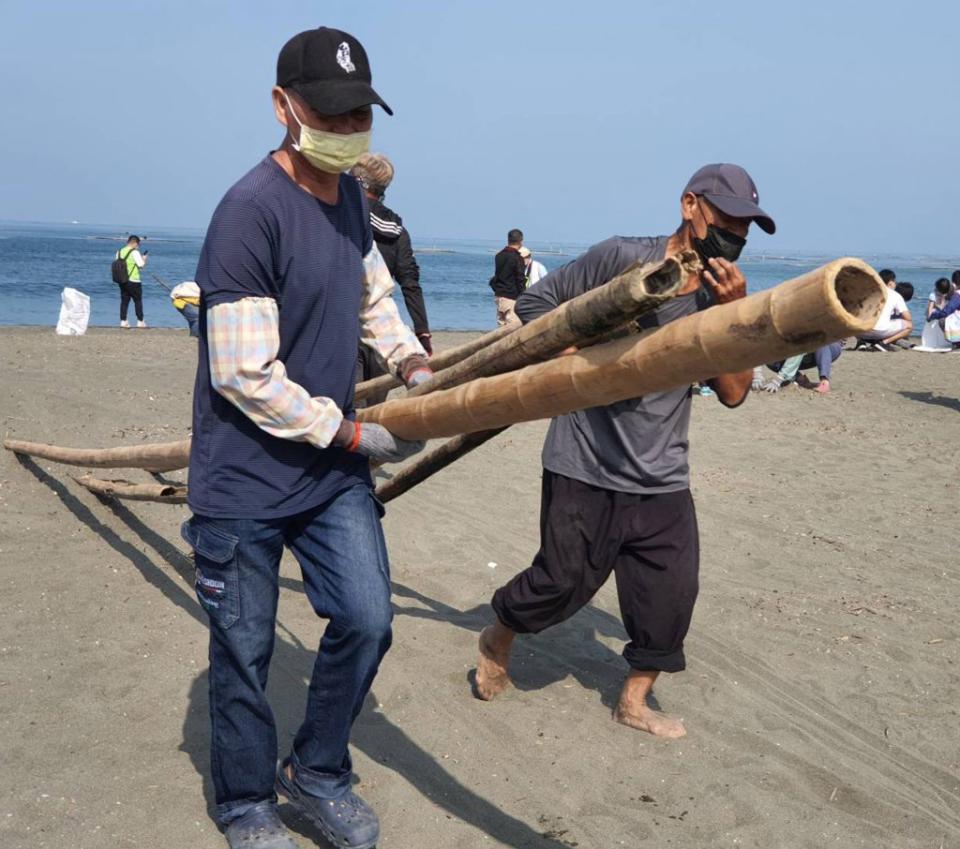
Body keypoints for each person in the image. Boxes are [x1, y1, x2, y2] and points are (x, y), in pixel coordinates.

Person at [182, 27, 430, 849]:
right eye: (331, 112)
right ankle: (246, 803)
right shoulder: (249, 213)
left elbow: (373, 293)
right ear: (284, 107)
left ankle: (317, 769)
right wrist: (353, 431)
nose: (348, 126)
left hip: (325, 478)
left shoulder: (353, 199)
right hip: (245, 481)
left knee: (367, 618)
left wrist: (411, 361)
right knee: (245, 653)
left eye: (360, 112)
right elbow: (243, 374)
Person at [474, 163, 775, 738]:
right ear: (690, 205)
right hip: (585, 459)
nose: (736, 234)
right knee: (561, 582)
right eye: (727, 219)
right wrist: (583, 354)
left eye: (746, 227)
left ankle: (635, 700)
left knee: (670, 593)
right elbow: (537, 308)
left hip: (662, 469)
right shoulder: (622, 259)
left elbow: (734, 393)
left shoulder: (721, 294)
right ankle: (498, 635)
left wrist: (732, 317)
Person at [350, 152, 432, 354]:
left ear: (357, 182)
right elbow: (410, 284)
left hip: (346, 330)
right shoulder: (398, 232)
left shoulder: (343, 219)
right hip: (383, 334)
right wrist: (422, 331)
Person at [754, 342, 843, 394]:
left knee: (821, 342)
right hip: (805, 353)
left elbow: (799, 347)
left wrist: (778, 380)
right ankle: (801, 380)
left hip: (829, 346)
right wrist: (757, 374)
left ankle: (824, 382)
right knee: (771, 361)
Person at [857, 269, 912, 350]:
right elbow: (908, 317)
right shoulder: (895, 295)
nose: (895, 284)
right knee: (909, 325)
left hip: (860, 332)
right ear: (890, 282)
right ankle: (884, 343)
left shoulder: (866, 291)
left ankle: (861, 342)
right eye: (894, 282)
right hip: (880, 331)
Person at [489, 228, 526, 325]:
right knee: (513, 326)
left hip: (499, 295)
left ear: (508, 240)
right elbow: (520, 279)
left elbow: (498, 275)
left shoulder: (499, 255)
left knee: (502, 325)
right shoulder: (517, 258)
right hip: (511, 296)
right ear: (521, 241)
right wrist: (524, 296)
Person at [115, 235, 148, 328]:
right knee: (137, 301)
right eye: (138, 244)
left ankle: (123, 320)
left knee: (124, 301)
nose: (138, 246)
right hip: (134, 280)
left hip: (122, 279)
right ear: (135, 243)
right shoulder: (135, 252)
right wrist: (144, 259)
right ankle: (140, 321)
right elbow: (141, 265)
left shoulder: (119, 252)